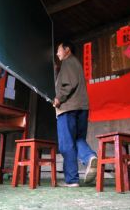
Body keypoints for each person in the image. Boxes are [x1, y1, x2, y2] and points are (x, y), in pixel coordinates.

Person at [53, 41, 97, 187]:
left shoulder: (67, 62)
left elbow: (68, 84)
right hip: (81, 108)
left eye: (59, 50)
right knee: (77, 139)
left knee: (66, 144)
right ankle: (90, 156)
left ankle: (72, 180)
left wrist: (59, 98)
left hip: (68, 108)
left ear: (67, 50)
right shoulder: (76, 64)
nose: (57, 53)